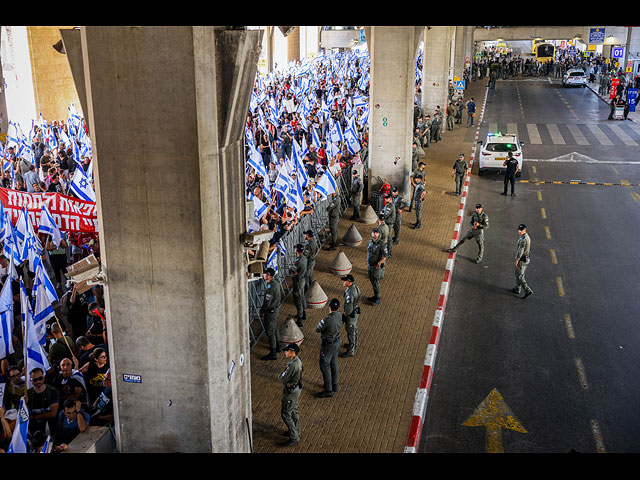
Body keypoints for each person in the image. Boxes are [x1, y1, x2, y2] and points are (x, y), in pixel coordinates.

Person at [314, 298, 342, 398]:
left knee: (324, 365)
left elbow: (317, 329)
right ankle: (334, 385)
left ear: (329, 306)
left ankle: (328, 389)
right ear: (338, 307)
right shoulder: (339, 315)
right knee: (334, 363)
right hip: (337, 342)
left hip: (328, 345)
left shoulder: (327, 319)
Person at [278, 343, 303, 446]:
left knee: (286, 414)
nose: (285, 352)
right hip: (296, 389)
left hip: (291, 391)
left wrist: (281, 376)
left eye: (287, 351)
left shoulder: (293, 365)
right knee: (293, 411)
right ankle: (296, 430)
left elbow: (282, 377)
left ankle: (294, 437)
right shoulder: (297, 361)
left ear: (293, 352)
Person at [27, 367, 60, 436]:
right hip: (33, 427)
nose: (38, 381)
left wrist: (35, 417)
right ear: (31, 380)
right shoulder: (27, 394)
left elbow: (53, 413)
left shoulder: (52, 391)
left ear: (44, 377)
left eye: (40, 378)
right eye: (35, 380)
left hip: (49, 425)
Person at [259, 267, 282, 360]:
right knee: (275, 328)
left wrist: (262, 310)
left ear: (269, 276)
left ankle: (273, 353)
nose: (263, 275)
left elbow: (267, 303)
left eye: (265, 274)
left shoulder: (270, 288)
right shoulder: (275, 283)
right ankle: (278, 347)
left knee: (270, 331)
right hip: (275, 310)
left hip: (270, 312)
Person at [339, 275, 361, 358]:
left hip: (350, 315)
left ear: (349, 282)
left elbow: (348, 305)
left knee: (351, 332)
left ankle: (351, 351)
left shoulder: (350, 293)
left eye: (344, 281)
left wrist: (345, 314)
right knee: (354, 330)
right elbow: (360, 295)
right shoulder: (355, 287)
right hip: (354, 311)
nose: (342, 282)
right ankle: (354, 345)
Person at [366, 228, 387, 306]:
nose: (375, 234)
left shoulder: (382, 244)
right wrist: (367, 258)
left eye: (376, 233)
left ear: (379, 234)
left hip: (376, 267)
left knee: (375, 281)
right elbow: (368, 250)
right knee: (372, 280)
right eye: (374, 233)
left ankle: (378, 298)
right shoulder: (370, 241)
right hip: (370, 265)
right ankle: (375, 296)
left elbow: (385, 256)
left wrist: (379, 262)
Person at [512, 224, 533, 299]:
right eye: (519, 230)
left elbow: (520, 251)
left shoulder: (523, 239)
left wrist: (517, 260)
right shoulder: (526, 237)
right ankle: (517, 288)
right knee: (518, 273)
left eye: (521, 230)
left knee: (520, 276)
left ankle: (527, 290)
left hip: (522, 260)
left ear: (525, 230)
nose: (519, 231)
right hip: (526, 259)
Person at [290, 244, 307, 327]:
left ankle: (300, 318)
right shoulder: (304, 258)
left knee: (298, 299)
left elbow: (291, 270)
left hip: (298, 282)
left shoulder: (298, 261)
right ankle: (304, 314)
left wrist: (294, 272)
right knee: (302, 297)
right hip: (302, 280)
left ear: (297, 251)